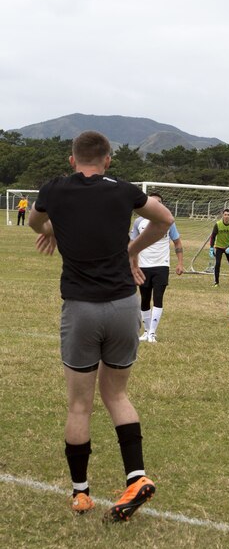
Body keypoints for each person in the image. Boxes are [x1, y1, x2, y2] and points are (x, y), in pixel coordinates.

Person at [29, 131, 174, 521]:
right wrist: (133, 250)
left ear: (72, 160)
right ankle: (137, 476)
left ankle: (81, 493)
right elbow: (164, 219)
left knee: (80, 404)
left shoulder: (55, 190)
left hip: (81, 309)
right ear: (108, 160)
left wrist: (56, 230)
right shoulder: (124, 191)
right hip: (125, 306)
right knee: (117, 395)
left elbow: (33, 222)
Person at [130, 192, 183, 342]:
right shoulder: (138, 222)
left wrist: (180, 263)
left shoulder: (168, 222)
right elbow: (132, 245)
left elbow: (177, 243)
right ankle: (146, 331)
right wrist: (132, 264)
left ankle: (152, 332)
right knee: (145, 299)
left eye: (158, 202)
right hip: (143, 266)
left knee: (158, 297)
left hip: (161, 265)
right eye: (152, 202)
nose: (156, 205)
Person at [209, 209, 229, 286]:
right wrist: (211, 248)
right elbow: (213, 236)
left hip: (228, 247)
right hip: (219, 247)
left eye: (228, 215)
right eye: (225, 215)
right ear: (222, 215)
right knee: (217, 264)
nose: (226, 216)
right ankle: (216, 282)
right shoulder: (218, 224)